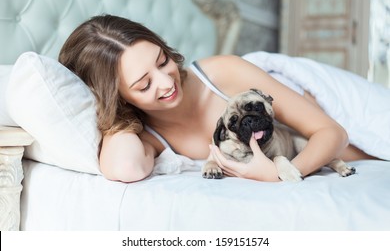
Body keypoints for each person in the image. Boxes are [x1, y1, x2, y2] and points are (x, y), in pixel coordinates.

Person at [59, 14, 376, 183]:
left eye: (162, 61)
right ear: (119, 98)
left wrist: (279, 174)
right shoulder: (149, 137)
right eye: (143, 85)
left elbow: (333, 132)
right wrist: (114, 117)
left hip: (348, 118)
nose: (166, 81)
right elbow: (125, 167)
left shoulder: (224, 73)